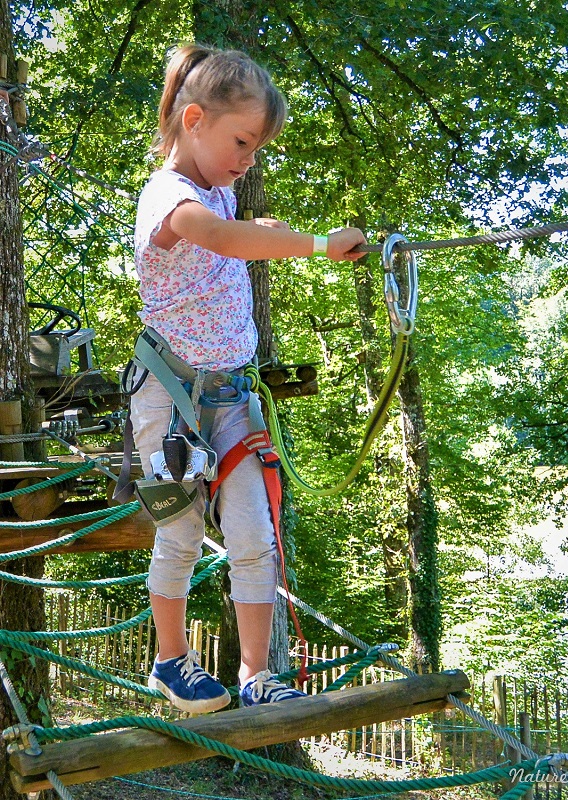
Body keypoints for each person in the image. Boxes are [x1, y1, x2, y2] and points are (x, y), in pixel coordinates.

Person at [131, 43, 366, 714]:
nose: (248, 159)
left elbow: (237, 230)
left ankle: (257, 674)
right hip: (171, 397)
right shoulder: (169, 196)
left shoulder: (218, 188)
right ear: (194, 119)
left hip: (231, 393)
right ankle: (170, 662)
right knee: (177, 532)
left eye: (256, 147)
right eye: (242, 140)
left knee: (255, 537)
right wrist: (311, 243)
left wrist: (259, 224)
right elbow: (219, 239)